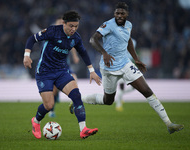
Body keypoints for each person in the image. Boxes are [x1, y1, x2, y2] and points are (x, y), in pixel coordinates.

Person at [71, 2, 184, 134]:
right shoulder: (108, 24)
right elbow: (93, 40)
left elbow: (128, 40)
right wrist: (104, 53)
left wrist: (136, 59)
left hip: (125, 64)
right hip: (109, 68)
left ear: (126, 14)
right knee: (108, 101)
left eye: (122, 13)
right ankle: (79, 100)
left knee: (147, 90)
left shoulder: (129, 25)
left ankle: (169, 124)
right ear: (114, 14)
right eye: (117, 13)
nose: (119, 15)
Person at [23, 10, 101, 139]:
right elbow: (32, 39)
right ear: (64, 23)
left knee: (76, 95)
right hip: (44, 73)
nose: (73, 29)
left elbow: (83, 52)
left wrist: (92, 71)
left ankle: (83, 129)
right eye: (71, 26)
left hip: (61, 72)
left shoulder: (76, 37)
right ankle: (36, 121)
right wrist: (27, 55)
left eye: (76, 26)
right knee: (49, 105)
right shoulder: (52, 31)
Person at [48, 17, 80, 118]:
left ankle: (74, 101)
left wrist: (74, 56)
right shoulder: (52, 35)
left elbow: (72, 45)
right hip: (53, 66)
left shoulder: (67, 35)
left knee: (74, 80)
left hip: (65, 65)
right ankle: (51, 111)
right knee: (54, 89)